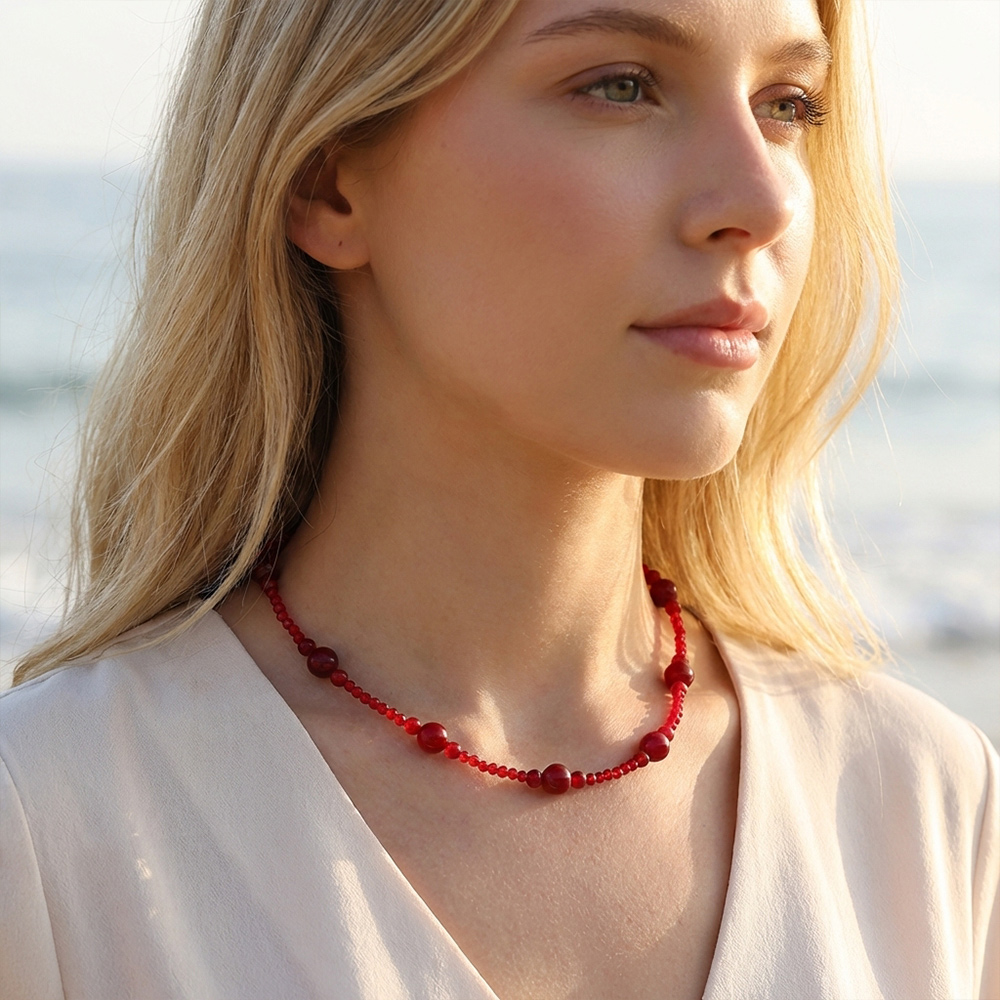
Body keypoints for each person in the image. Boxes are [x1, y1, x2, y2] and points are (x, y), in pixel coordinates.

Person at [1, 0, 996, 997]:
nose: (763, 200)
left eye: (787, 104)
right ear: (328, 178)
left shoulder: (925, 810)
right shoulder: (48, 828)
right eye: (620, 85)